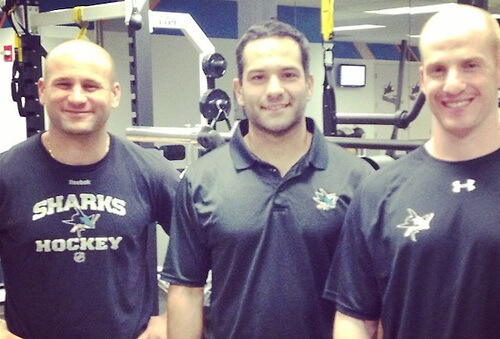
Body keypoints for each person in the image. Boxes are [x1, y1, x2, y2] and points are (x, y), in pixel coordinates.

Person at [162, 19, 372, 338]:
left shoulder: (356, 178)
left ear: (310, 84)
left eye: (288, 75)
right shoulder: (201, 180)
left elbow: (371, 303)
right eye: (258, 77)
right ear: (240, 91)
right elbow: (186, 292)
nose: (274, 90)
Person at [324, 4, 500, 338]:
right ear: (422, 79)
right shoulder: (379, 192)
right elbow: (355, 319)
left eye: (470, 65)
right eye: (438, 70)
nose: (453, 85)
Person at [0, 39, 180, 338]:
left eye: (91, 86)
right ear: (42, 90)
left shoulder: (151, 171)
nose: (77, 97)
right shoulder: (6, 174)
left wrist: (171, 320)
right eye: (64, 84)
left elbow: (212, 253)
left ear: (114, 94)